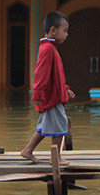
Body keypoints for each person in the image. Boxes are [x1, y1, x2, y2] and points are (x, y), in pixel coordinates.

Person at [20, 11, 75, 164]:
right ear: (53, 30)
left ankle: (28, 150)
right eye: (64, 30)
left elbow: (55, 76)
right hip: (51, 98)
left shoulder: (50, 48)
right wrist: (37, 94)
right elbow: (41, 73)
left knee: (43, 126)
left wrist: (65, 88)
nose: (66, 34)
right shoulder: (48, 49)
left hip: (53, 95)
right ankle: (55, 157)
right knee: (60, 125)